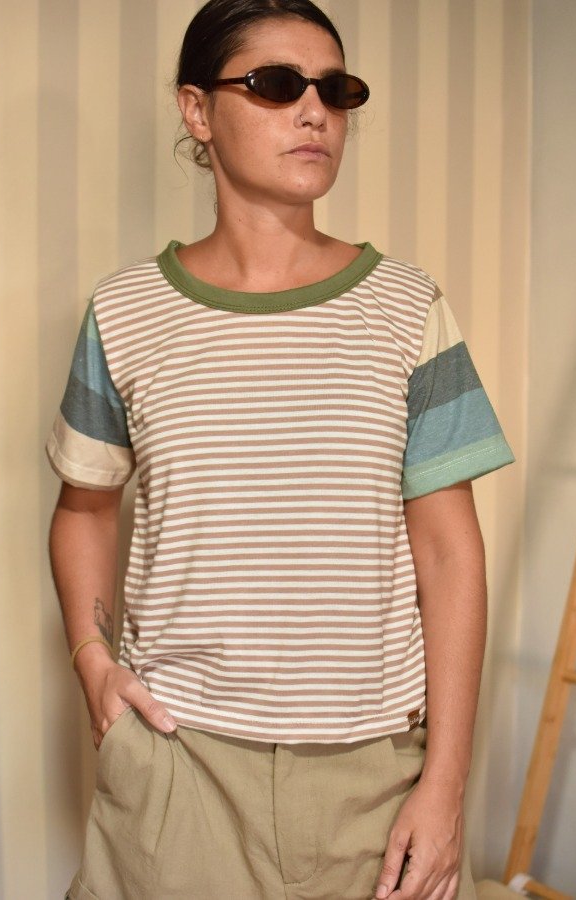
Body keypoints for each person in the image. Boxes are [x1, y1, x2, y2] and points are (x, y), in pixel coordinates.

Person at [46, 1, 515, 898]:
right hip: (177, 763)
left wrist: (446, 784)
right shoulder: (125, 312)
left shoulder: (406, 307)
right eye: (275, 84)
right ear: (196, 110)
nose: (314, 112)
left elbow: (451, 553)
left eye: (335, 91)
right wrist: (91, 662)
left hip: (370, 778)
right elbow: (84, 509)